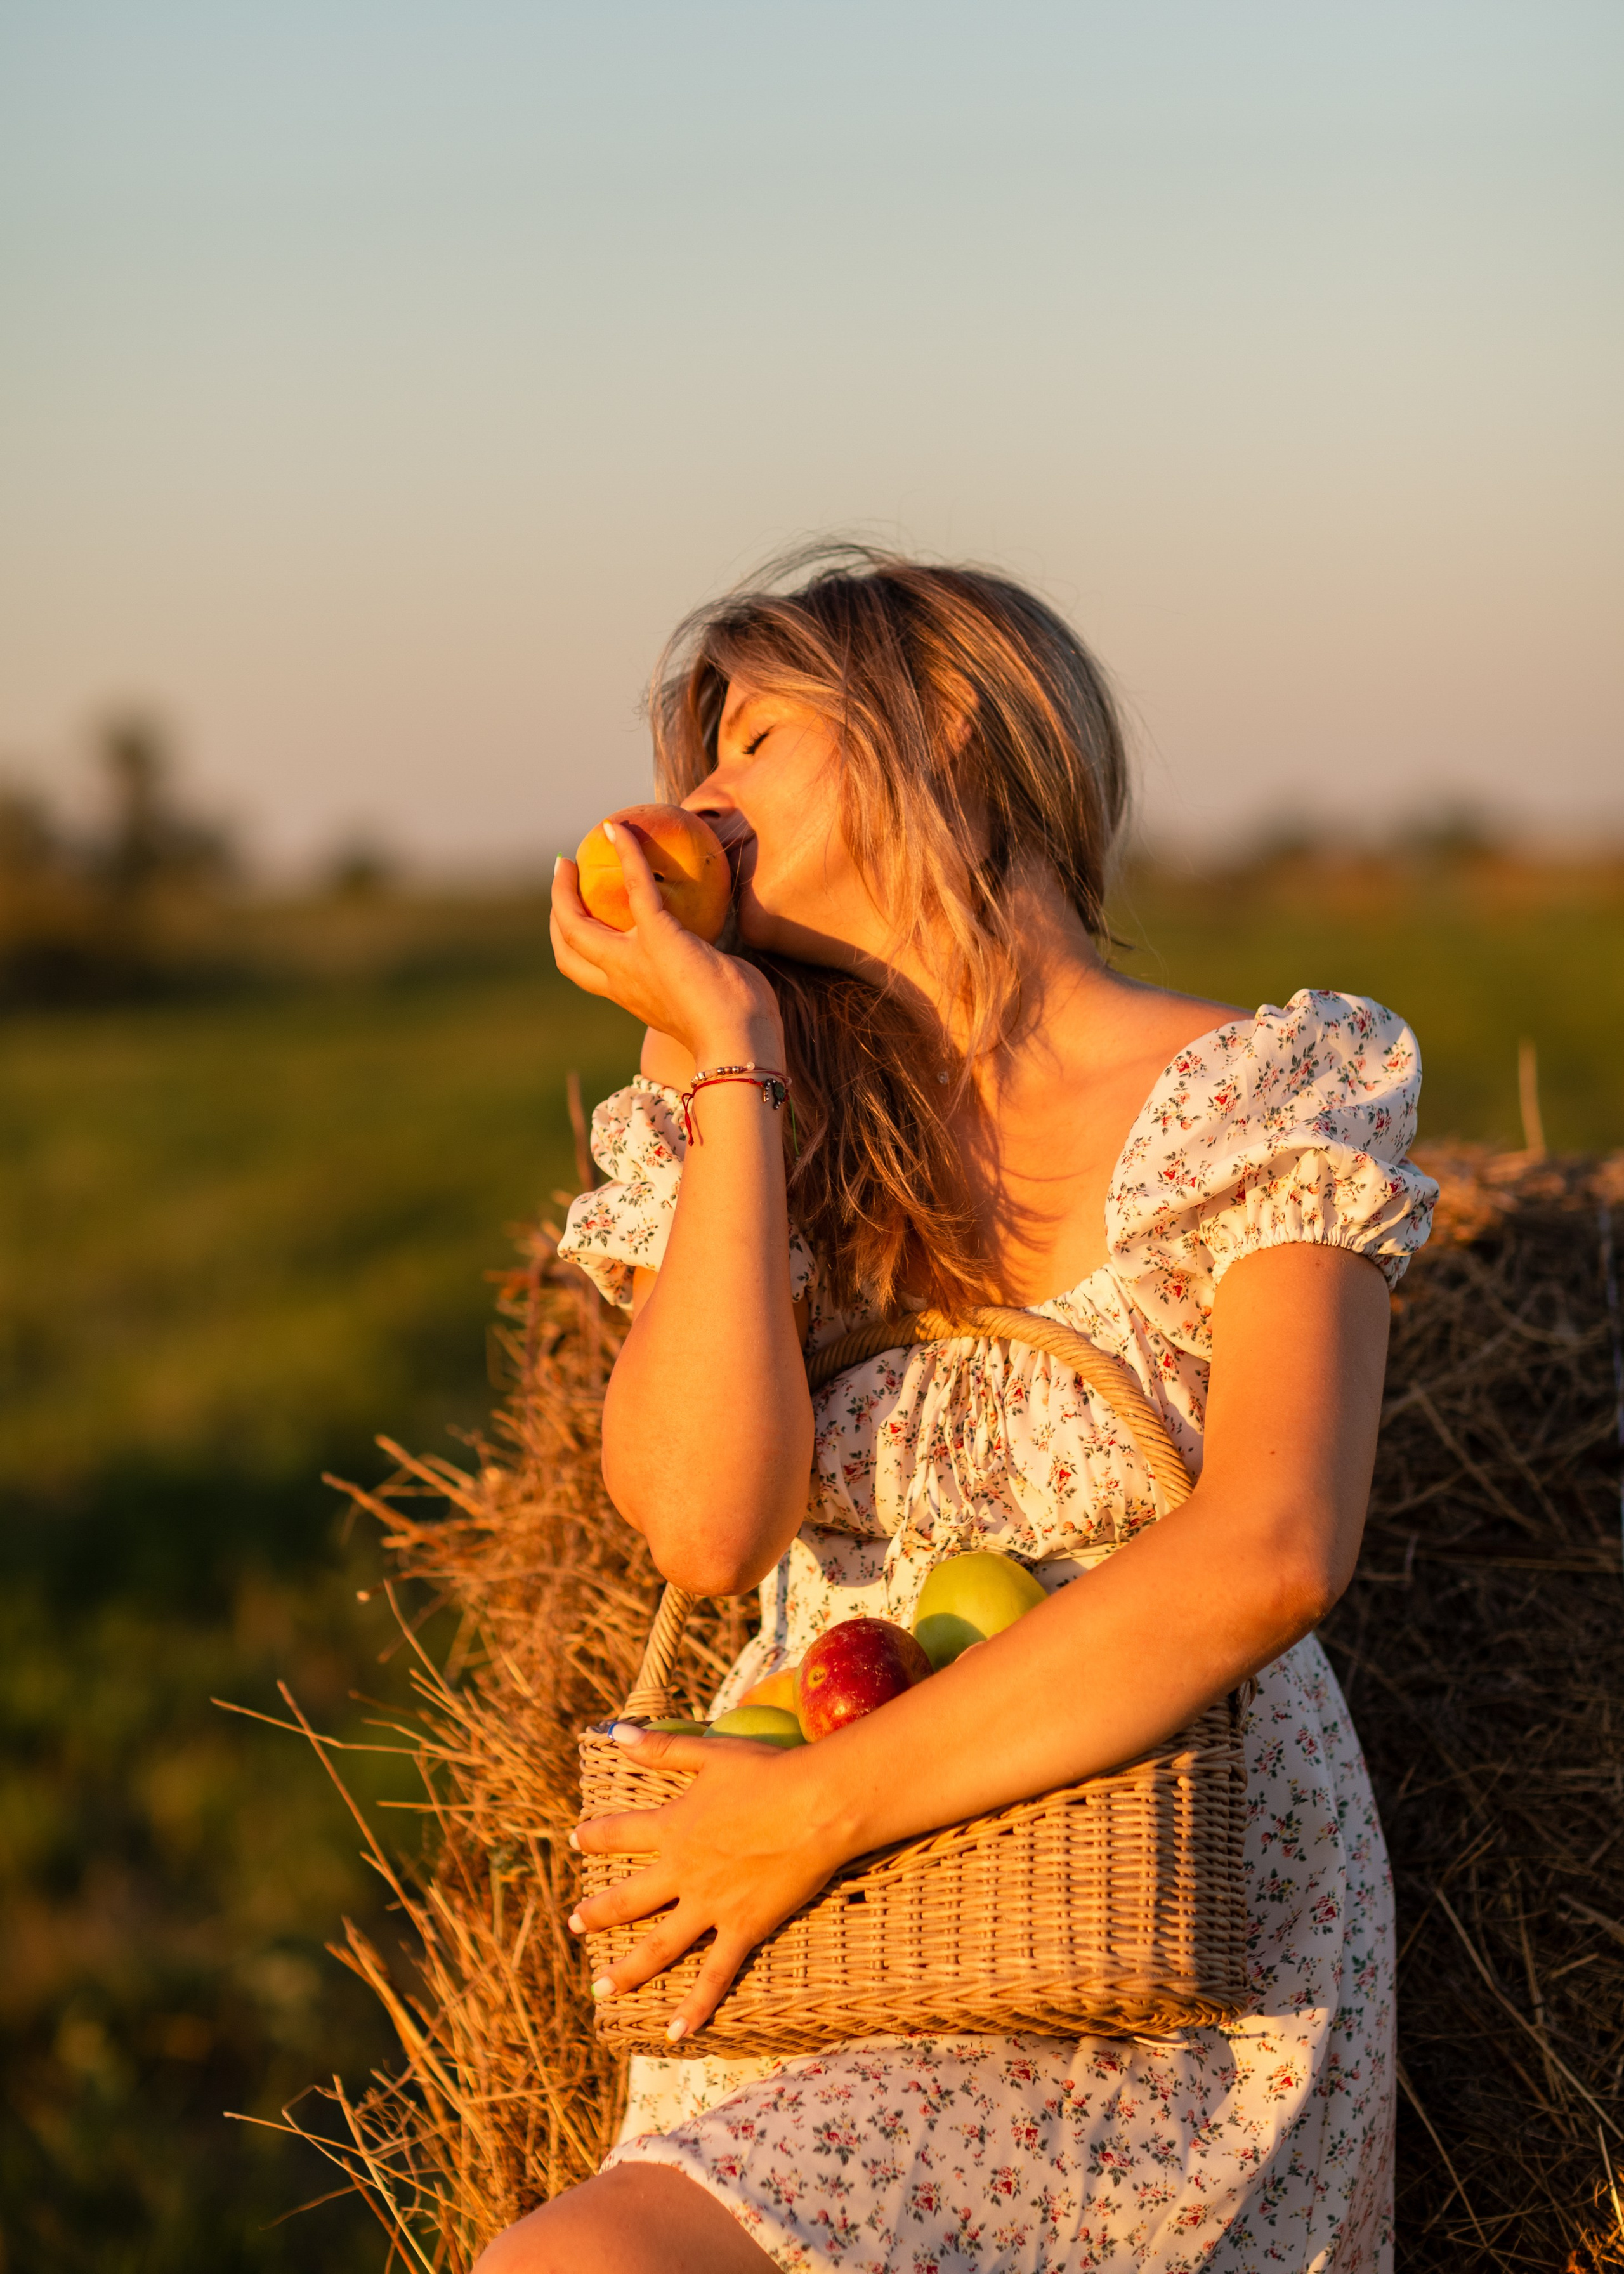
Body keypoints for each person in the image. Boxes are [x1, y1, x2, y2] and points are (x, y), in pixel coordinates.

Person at [478, 547, 1436, 2274]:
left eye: (752, 738)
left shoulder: (1266, 1090)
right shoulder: (738, 1120)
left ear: (950, 718)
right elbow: (704, 1528)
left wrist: (809, 1814)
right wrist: (730, 1065)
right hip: (841, 1939)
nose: (692, 795)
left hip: (1168, 1951)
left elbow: (1277, 1546)